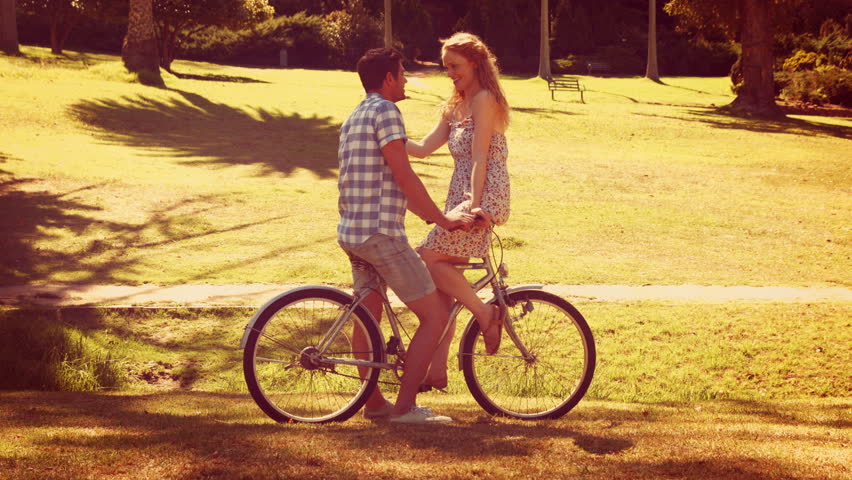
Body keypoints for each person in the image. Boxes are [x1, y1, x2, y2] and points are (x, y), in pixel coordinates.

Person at [337, 47, 473, 424]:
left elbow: (388, 185)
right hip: (381, 235)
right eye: (402, 73)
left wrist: (431, 216)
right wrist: (444, 221)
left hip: (353, 231)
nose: (406, 79)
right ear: (388, 79)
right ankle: (405, 408)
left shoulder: (355, 116)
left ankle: (375, 403)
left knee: (367, 316)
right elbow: (404, 177)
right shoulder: (386, 111)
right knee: (436, 316)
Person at [406, 32, 511, 391]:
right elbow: (421, 149)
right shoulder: (454, 105)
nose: (449, 73)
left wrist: (474, 204)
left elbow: (481, 157)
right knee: (442, 293)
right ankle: (436, 372)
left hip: (483, 193)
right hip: (460, 194)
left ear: (476, 63)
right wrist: (381, 134)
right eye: (446, 67)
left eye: (455, 66)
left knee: (427, 256)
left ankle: (485, 313)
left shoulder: (485, 99)